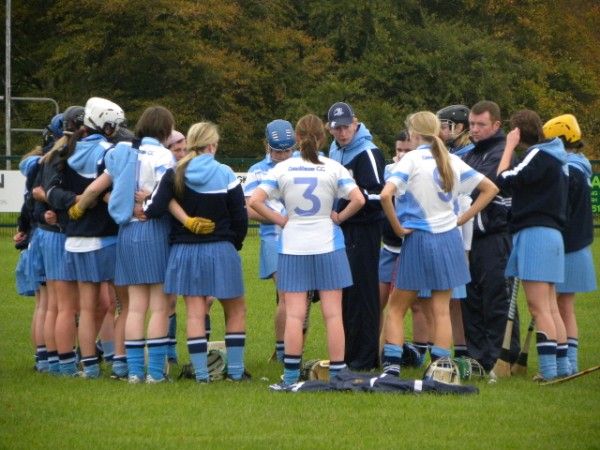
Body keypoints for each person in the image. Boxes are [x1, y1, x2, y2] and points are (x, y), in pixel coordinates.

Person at [248, 113, 365, 386]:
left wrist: (282, 220)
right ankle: (338, 376)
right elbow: (359, 199)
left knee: (294, 313)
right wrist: (339, 217)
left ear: (297, 139)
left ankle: (290, 377)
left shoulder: (282, 169)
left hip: (293, 246)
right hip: (329, 244)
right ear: (322, 138)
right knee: (333, 314)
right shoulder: (333, 166)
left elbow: (254, 201)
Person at [380, 111, 498, 378]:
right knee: (441, 309)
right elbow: (490, 188)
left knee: (396, 308)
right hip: (448, 240)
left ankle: (392, 368)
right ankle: (441, 369)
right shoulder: (451, 159)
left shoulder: (411, 159)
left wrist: (397, 228)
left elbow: (386, 195)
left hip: (418, 238)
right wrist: (462, 219)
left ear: (413, 133)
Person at [144, 121, 249, 382]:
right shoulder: (225, 173)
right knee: (236, 310)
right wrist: (233, 243)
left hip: (185, 251)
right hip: (221, 249)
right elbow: (240, 216)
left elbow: (154, 208)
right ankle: (236, 373)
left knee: (194, 313)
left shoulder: (175, 173)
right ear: (212, 145)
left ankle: (202, 375)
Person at [46, 97, 125, 378]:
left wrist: (75, 201)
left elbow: (52, 193)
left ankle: (89, 366)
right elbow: (115, 194)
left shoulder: (66, 151)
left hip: (75, 240)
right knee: (124, 306)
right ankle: (120, 362)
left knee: (87, 309)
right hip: (107, 238)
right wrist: (90, 198)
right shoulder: (109, 152)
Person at [496, 109, 569, 381]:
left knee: (538, 307)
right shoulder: (558, 157)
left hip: (535, 234)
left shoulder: (538, 154)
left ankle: (548, 371)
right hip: (553, 235)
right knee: (550, 306)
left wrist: (508, 147)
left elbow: (503, 179)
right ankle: (563, 366)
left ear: (517, 131)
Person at [461, 100, 520, 373]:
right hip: (470, 238)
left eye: (480, 124)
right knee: (471, 299)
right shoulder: (471, 154)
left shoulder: (501, 153)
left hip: (496, 235)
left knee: (497, 298)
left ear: (496, 125)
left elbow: (480, 186)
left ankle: (502, 357)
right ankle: (478, 359)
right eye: (471, 124)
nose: (474, 129)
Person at [327, 101, 386, 370]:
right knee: (346, 294)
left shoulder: (368, 152)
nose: (342, 132)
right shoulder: (334, 150)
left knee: (363, 292)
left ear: (355, 122)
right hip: (342, 230)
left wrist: (346, 208)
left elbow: (378, 196)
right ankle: (348, 352)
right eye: (336, 128)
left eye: (346, 126)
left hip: (364, 229)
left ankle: (365, 357)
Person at [543, 114, 596, 374]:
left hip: (566, 246)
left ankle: (562, 363)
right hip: (578, 245)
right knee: (565, 307)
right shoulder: (580, 165)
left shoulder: (568, 171)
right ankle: (569, 363)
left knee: (555, 306)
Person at [244, 119, 295, 363]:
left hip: (305, 238)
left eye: (287, 151)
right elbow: (248, 209)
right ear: (267, 145)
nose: (283, 156)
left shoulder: (303, 163)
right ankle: (282, 352)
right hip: (274, 238)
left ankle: (293, 348)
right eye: (277, 151)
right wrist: (280, 219)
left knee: (299, 296)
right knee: (286, 295)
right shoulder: (257, 170)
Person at [378, 131, 429, 367]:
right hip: (389, 246)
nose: (402, 154)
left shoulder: (423, 172)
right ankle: (378, 351)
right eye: (399, 149)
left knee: (418, 304)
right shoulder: (388, 172)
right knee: (379, 300)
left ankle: (419, 354)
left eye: (407, 150)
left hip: (414, 246)